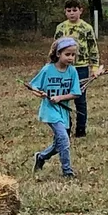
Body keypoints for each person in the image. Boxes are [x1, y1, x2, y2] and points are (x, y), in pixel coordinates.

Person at [30, 37, 81, 178]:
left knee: (59, 144)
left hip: (63, 111)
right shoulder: (47, 70)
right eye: (67, 54)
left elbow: (76, 93)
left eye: (73, 55)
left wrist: (60, 98)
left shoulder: (72, 72)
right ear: (58, 54)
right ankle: (67, 172)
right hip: (50, 111)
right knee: (64, 139)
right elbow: (34, 86)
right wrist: (39, 93)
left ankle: (41, 157)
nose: (71, 58)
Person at [54, 0, 103, 137]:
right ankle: (65, 128)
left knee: (80, 99)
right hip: (64, 68)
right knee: (64, 98)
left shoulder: (86, 28)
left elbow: (93, 48)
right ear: (65, 12)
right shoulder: (61, 28)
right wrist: (54, 64)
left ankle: (81, 129)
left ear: (80, 11)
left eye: (74, 10)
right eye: (69, 10)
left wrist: (94, 67)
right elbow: (55, 47)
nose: (72, 13)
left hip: (81, 67)